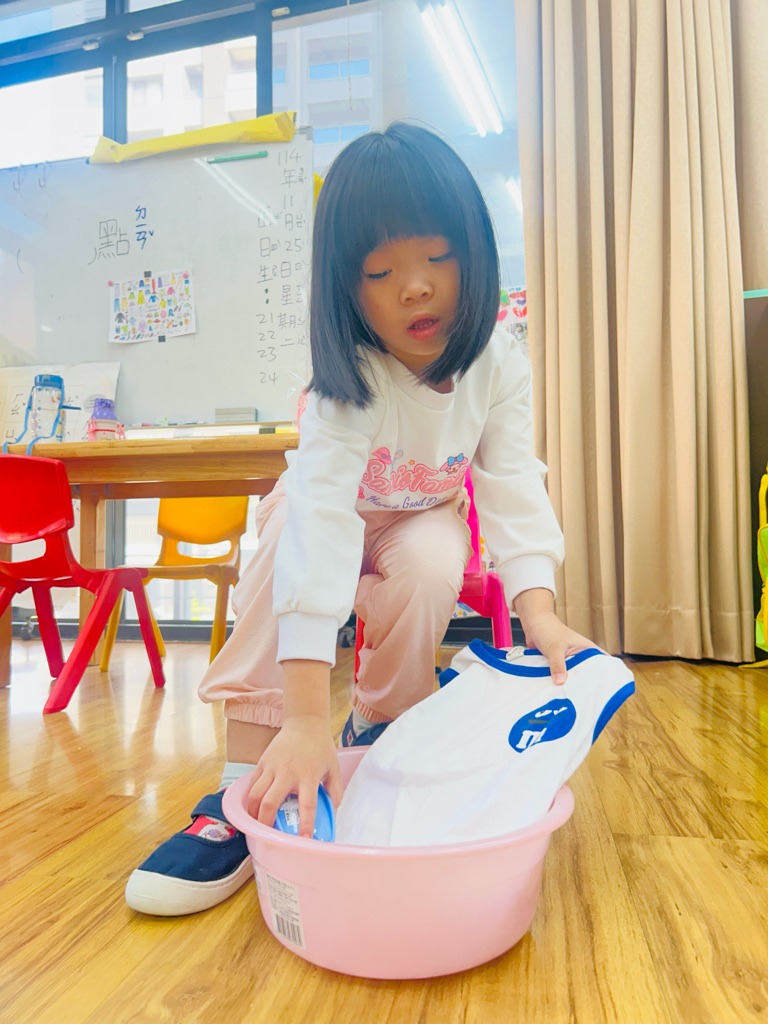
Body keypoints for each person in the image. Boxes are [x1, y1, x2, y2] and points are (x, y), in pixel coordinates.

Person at [125, 122, 594, 917]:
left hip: (418, 519)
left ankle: (379, 727)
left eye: (438, 257)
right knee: (282, 545)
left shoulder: (498, 362)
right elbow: (319, 520)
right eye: (381, 271)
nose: (415, 287)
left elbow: (513, 480)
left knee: (435, 561)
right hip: (328, 511)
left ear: (475, 253)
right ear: (347, 287)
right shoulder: (349, 382)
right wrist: (307, 715)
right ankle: (245, 780)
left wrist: (539, 613)